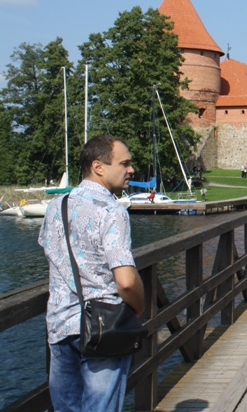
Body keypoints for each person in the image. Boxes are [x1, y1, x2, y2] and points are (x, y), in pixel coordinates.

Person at [39, 135, 144, 412]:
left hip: (60, 325)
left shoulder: (55, 206)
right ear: (98, 166)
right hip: (103, 329)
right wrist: (139, 308)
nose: (131, 170)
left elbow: (51, 254)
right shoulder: (112, 211)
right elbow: (126, 280)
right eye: (125, 163)